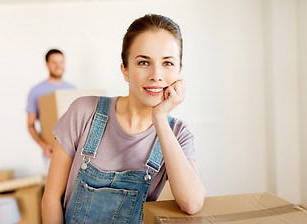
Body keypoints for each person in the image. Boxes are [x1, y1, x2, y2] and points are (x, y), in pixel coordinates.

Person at [42, 14, 205, 224]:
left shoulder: (178, 133)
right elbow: (51, 199)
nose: (156, 75)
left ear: (179, 72)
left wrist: (160, 118)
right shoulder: (83, 112)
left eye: (167, 63)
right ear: (125, 70)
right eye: (144, 62)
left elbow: (192, 203)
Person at [26, 49, 75, 160]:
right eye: (54, 62)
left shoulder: (72, 89)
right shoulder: (37, 91)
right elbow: (30, 125)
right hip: (51, 152)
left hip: (73, 153)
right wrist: (44, 146)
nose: (58, 66)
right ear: (47, 64)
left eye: (61, 62)